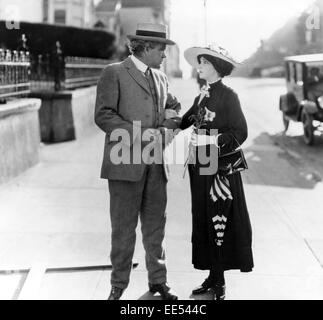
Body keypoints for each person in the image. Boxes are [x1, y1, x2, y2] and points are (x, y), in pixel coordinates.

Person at [94, 23, 181, 301]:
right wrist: (144, 135)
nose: (164, 55)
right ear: (145, 48)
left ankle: (159, 282)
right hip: (124, 163)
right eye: (161, 49)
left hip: (156, 166)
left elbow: (175, 109)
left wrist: (166, 129)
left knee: (156, 227)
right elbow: (104, 115)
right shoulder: (114, 73)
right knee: (123, 228)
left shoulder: (161, 78)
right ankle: (118, 285)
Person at [180, 45, 254, 300]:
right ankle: (212, 277)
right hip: (199, 164)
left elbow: (240, 132)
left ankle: (219, 282)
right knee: (202, 216)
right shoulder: (203, 94)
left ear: (215, 66)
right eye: (199, 63)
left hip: (219, 167)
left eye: (202, 63)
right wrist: (174, 116)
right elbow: (186, 121)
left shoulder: (229, 96)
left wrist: (213, 142)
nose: (198, 67)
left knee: (218, 218)